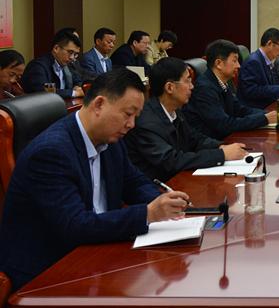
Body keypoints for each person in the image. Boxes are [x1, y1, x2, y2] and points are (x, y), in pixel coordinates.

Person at [0, 68, 189, 292]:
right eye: (128, 114)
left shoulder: (110, 139)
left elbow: (134, 182)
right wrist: (149, 213)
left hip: (96, 253)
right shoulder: (50, 153)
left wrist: (164, 202)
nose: (132, 124)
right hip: (48, 272)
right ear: (99, 104)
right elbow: (75, 225)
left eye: (135, 117)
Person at [126, 57, 248, 181]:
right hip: (158, 186)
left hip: (177, 179)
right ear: (169, 87)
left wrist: (221, 146)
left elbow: (194, 139)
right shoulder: (146, 122)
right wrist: (221, 155)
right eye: (187, 81)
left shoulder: (175, 109)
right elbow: (172, 161)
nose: (192, 86)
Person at [183, 39, 276, 140]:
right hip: (214, 143)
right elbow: (224, 125)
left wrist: (266, 114)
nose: (238, 66)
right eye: (234, 61)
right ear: (218, 63)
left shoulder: (222, 82)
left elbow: (240, 110)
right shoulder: (204, 88)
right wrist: (263, 119)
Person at [238, 28, 279, 109]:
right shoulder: (254, 61)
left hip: (267, 104)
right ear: (269, 43)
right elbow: (251, 90)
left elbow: (274, 85)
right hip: (256, 108)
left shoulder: (265, 60)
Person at [20, 31, 85, 98]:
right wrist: (74, 93)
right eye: (70, 52)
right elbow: (45, 91)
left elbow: (77, 80)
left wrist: (77, 86)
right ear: (56, 48)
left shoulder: (67, 64)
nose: (72, 58)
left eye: (75, 54)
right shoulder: (38, 66)